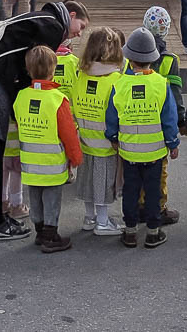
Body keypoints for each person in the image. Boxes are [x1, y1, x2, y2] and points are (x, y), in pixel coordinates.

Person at [0, 0, 90, 242]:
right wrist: (23, 103)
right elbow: (33, 66)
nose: (79, 33)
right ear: (72, 14)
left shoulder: (39, 17)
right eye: (82, 25)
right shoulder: (54, 27)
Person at [105, 27, 181, 249]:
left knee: (130, 190)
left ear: (129, 57)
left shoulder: (119, 84)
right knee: (153, 191)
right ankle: (153, 232)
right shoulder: (160, 84)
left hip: (128, 152)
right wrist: (173, 143)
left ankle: (129, 232)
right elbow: (169, 119)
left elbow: (112, 117)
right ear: (153, 58)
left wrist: (113, 137)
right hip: (155, 153)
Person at [13, 45, 83, 253]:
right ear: (53, 70)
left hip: (30, 163)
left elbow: (18, 123)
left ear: (28, 70)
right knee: (52, 199)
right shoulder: (58, 99)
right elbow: (68, 134)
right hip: (52, 164)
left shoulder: (21, 96)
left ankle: (39, 230)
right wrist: (75, 158)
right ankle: (51, 235)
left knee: (34, 197)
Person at [73, 26, 124, 236]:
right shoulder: (115, 81)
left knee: (87, 181)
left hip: (85, 141)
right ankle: (102, 222)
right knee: (103, 184)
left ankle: (89, 217)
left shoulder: (80, 77)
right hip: (106, 144)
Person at [142, 6, 184, 225]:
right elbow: (175, 94)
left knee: (137, 168)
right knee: (160, 170)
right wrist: (180, 119)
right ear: (166, 30)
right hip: (160, 125)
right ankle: (158, 207)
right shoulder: (170, 60)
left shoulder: (133, 56)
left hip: (136, 120)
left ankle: (139, 205)